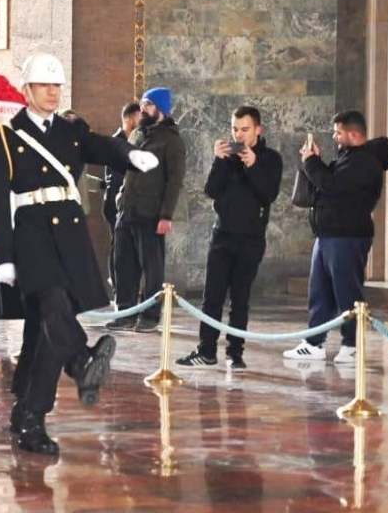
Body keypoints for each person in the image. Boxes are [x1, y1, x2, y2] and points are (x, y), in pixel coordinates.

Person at [0, 53, 151, 456]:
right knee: (55, 306)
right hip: (30, 236)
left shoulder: (70, 132)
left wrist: (130, 156)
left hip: (69, 238)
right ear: (27, 90)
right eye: (44, 86)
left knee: (47, 330)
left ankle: (29, 417)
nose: (53, 93)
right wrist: (3, 256)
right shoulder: (5, 135)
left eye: (57, 86)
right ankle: (80, 362)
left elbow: (100, 146)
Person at [176, 106, 283, 370]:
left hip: (251, 239)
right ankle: (206, 350)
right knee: (212, 296)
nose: (239, 134)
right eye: (235, 129)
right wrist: (218, 160)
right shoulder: (227, 157)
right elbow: (211, 190)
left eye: (245, 129)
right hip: (222, 236)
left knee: (240, 298)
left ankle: (236, 353)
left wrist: (254, 165)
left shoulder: (271, 159)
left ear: (258, 130)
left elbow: (268, 194)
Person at [282, 110, 388, 363]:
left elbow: (332, 186)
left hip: (348, 236)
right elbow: (329, 184)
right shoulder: (348, 157)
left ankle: (352, 345)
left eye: (338, 132)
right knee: (319, 291)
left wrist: (311, 162)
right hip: (328, 234)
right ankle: (314, 343)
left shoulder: (365, 162)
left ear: (354, 134)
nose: (334, 136)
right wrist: (316, 161)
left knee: (347, 292)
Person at [109, 86, 186, 332]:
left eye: (148, 104)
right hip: (127, 211)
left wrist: (166, 215)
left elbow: (175, 181)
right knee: (123, 264)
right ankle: (125, 313)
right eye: (142, 104)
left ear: (161, 109)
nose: (143, 109)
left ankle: (150, 316)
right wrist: (120, 196)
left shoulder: (171, 141)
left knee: (152, 268)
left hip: (151, 214)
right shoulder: (136, 135)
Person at [99, 103, 140, 296]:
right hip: (115, 203)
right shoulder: (116, 143)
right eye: (140, 117)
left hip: (130, 202)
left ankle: (129, 289)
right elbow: (115, 178)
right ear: (131, 119)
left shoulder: (134, 142)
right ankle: (117, 288)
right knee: (118, 248)